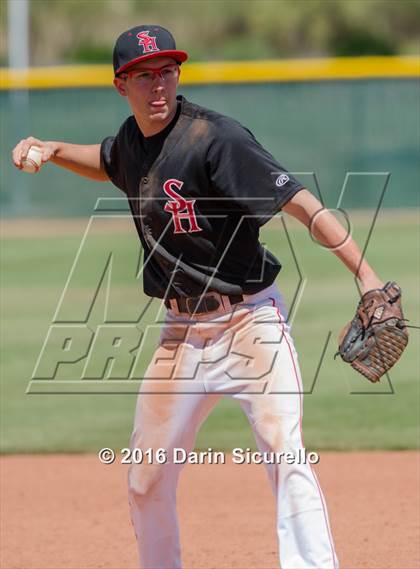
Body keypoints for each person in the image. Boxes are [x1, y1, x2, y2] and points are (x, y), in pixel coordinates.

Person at [12, 24, 383, 569]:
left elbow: (302, 204)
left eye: (166, 70)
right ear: (122, 85)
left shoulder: (215, 138)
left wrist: (367, 275)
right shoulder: (134, 143)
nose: (158, 84)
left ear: (178, 74)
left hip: (249, 323)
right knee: (145, 477)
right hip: (180, 336)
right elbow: (108, 160)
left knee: (286, 453)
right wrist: (53, 148)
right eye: (143, 75)